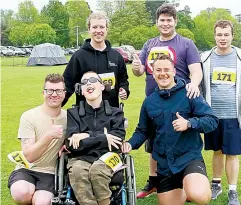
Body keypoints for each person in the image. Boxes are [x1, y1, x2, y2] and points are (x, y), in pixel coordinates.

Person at [122, 54, 218, 205]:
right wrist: (130, 144)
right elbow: (142, 131)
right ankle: (182, 189)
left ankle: (191, 185)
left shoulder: (189, 93)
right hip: (165, 164)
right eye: (158, 70)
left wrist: (189, 123)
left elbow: (212, 120)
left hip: (189, 157)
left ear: (174, 71)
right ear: (153, 73)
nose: (163, 73)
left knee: (199, 195)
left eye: (167, 69)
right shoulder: (149, 102)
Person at [132, 3, 203, 198]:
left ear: (175, 22)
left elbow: (196, 70)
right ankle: (154, 181)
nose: (165, 24)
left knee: (178, 141)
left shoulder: (186, 44)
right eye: (162, 20)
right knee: (154, 143)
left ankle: (185, 180)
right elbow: (139, 72)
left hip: (178, 101)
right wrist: (136, 66)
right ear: (157, 22)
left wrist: (194, 84)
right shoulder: (149, 44)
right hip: (154, 102)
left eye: (169, 20)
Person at [201, 20, 241, 205]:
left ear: (233, 35)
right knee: (217, 151)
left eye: (226, 34)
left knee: (232, 153)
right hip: (212, 116)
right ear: (214, 36)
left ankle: (233, 190)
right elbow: (200, 86)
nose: (222, 38)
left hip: (234, 115)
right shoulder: (205, 58)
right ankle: (216, 185)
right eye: (219, 34)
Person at [65, 71, 126, 205]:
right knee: (77, 171)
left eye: (93, 80)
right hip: (81, 157)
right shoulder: (73, 113)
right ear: (81, 90)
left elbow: (116, 142)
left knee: (97, 170)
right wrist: (103, 138)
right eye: (84, 82)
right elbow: (72, 145)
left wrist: (86, 136)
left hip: (110, 156)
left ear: (102, 86)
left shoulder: (116, 113)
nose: (89, 84)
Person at [8, 73, 67, 205]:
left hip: (51, 173)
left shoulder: (69, 118)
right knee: (20, 193)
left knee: (42, 202)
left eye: (58, 90)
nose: (54, 94)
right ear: (43, 93)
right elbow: (28, 157)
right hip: (27, 169)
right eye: (50, 90)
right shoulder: (29, 116)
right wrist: (49, 136)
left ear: (64, 93)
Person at [62, 11, 129, 108]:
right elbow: (67, 86)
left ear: (107, 29)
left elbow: (123, 80)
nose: (98, 31)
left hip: (112, 114)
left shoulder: (117, 56)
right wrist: (54, 110)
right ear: (89, 29)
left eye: (102, 27)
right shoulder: (78, 57)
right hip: (85, 115)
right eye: (94, 27)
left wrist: (124, 89)